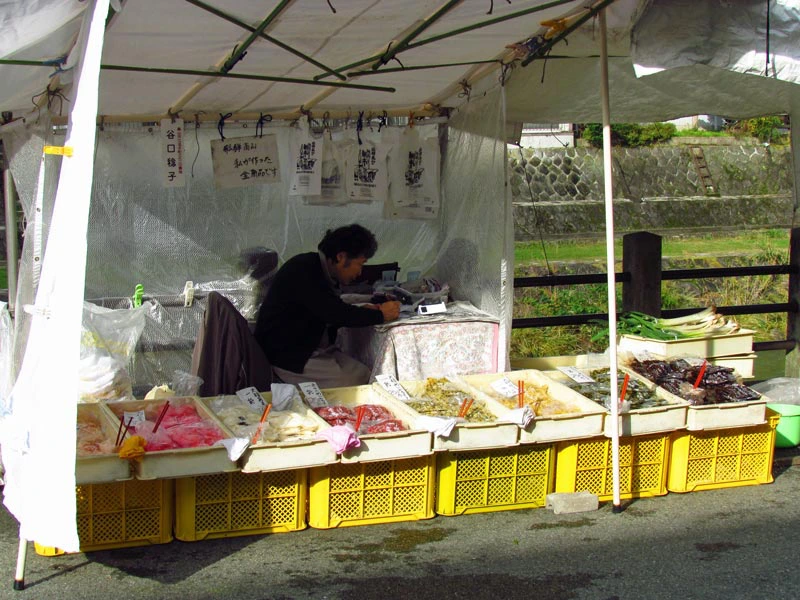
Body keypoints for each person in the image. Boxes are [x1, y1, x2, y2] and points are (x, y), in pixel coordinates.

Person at [254, 224, 401, 388]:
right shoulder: (304, 270)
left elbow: (332, 303)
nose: (360, 272)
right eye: (360, 264)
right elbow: (335, 312)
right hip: (289, 356)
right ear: (341, 257)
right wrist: (381, 315)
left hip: (309, 348)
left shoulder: (316, 268)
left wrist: (370, 304)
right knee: (356, 382)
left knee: (366, 373)